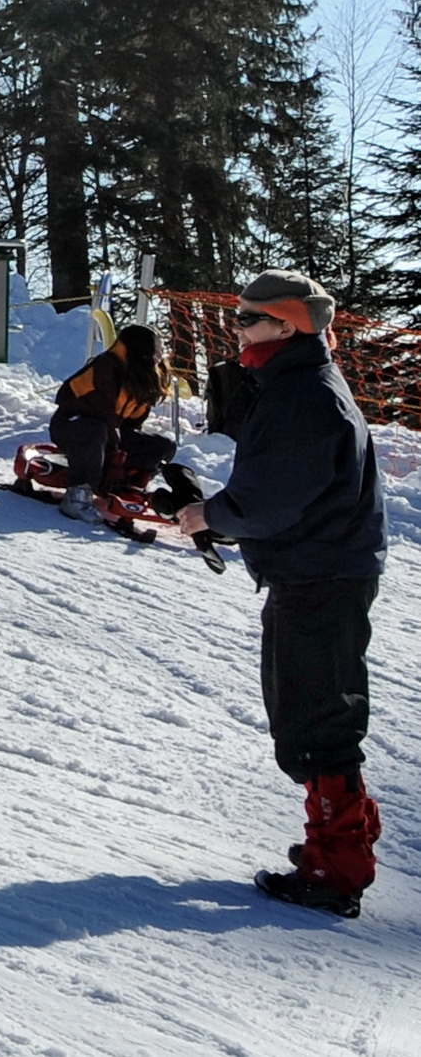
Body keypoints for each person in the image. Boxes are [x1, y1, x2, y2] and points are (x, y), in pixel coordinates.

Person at [174, 272, 387, 917]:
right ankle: (338, 846)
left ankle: (336, 868)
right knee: (314, 712)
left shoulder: (302, 395)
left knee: (316, 720)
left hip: (320, 575)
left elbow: (272, 499)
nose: (236, 329)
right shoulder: (297, 384)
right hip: (320, 568)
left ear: (286, 325)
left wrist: (213, 516)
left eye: (247, 319)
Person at [49, 324, 175, 522]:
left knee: (163, 446)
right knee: (96, 430)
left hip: (109, 433)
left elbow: (132, 423)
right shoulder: (106, 366)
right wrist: (115, 448)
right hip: (74, 425)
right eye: (156, 348)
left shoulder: (144, 376)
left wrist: (124, 453)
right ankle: (77, 495)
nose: (160, 354)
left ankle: (128, 485)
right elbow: (102, 411)